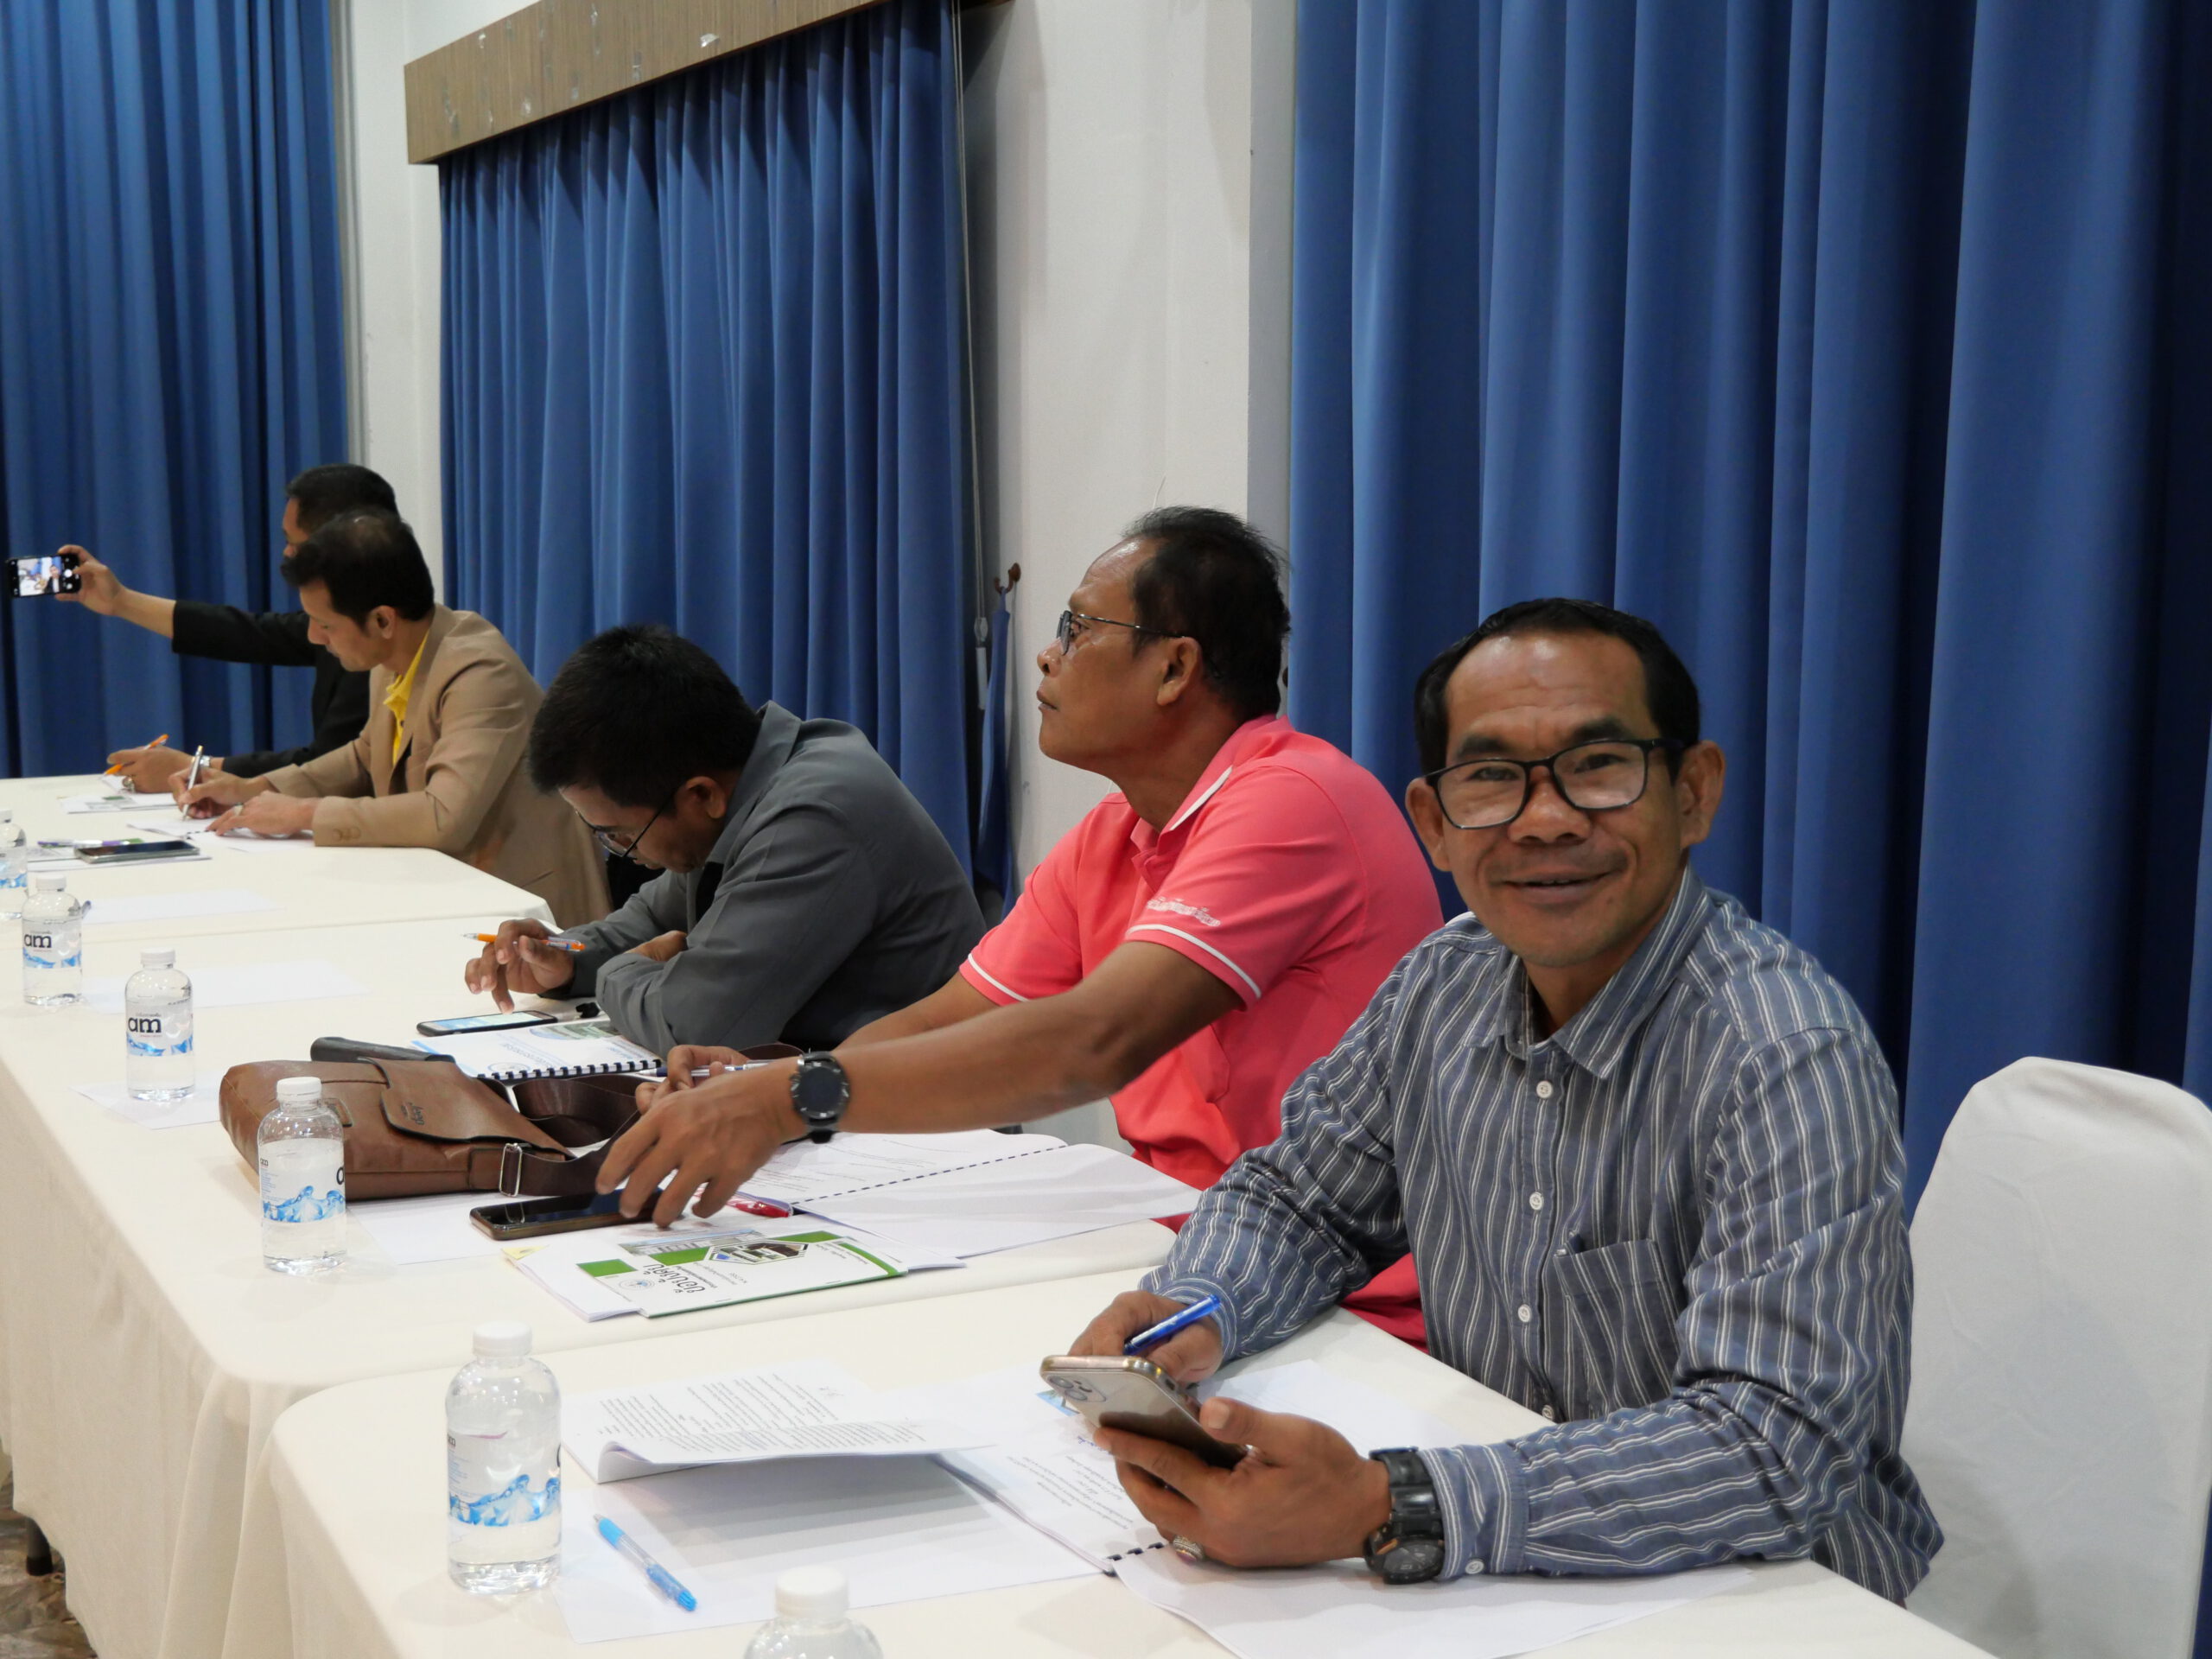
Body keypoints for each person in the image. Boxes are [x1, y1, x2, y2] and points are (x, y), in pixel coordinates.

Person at [1061, 597, 1942, 1599]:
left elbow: (1771, 1449)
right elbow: (1300, 1200)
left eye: (1598, 766)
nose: (1546, 819)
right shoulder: (1445, 981)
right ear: (1433, 824)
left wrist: (1388, 1504)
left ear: (1693, 793)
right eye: (1490, 779)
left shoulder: (1785, 1056)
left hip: (1776, 1596)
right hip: (1513, 1573)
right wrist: (1196, 1308)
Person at [594, 507, 1445, 1344]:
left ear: (1174, 668)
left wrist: (787, 1101)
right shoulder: (1116, 834)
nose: (1046, 653)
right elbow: (945, 1018)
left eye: (1078, 628)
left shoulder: (1292, 802)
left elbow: (1093, 1041)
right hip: (1168, 1240)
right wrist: (768, 1085)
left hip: (1327, 1292)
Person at [461, 623, 985, 1053]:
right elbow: (652, 920)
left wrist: (620, 972)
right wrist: (566, 958)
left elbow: (697, 1025)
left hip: (921, 1119)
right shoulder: (740, 793)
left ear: (700, 794)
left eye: (620, 835)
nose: (625, 854)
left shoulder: (812, 819)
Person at [176, 509, 607, 928]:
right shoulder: (395, 655)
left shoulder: (479, 671)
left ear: (383, 619)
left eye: (325, 624)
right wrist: (255, 789)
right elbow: (366, 756)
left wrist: (304, 813)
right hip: (451, 888)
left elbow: (443, 817)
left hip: (529, 911)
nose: (313, 637)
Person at [59, 464, 397, 790]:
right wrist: (121, 601)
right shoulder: (355, 618)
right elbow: (247, 633)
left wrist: (199, 768)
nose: (287, 553)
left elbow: (331, 768)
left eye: (297, 544)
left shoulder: (376, 644)